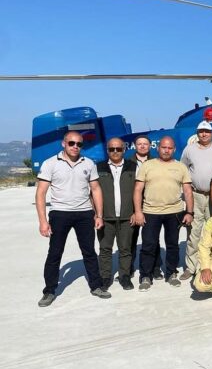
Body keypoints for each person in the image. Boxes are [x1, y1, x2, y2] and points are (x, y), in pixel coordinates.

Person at [36, 131, 110, 307]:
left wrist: (99, 215)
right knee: (55, 253)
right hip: (60, 214)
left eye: (79, 144)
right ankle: (49, 291)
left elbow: (96, 189)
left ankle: (96, 286)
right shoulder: (50, 163)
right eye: (71, 143)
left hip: (84, 213)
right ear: (64, 143)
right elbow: (40, 193)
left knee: (89, 252)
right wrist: (43, 221)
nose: (75, 147)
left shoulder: (88, 163)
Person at [133, 136, 194, 292]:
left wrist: (189, 212)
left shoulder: (181, 167)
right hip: (150, 212)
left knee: (172, 245)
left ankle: (171, 273)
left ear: (174, 149)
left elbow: (188, 191)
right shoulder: (147, 165)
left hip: (174, 212)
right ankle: (145, 276)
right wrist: (138, 212)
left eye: (170, 148)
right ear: (158, 148)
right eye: (164, 147)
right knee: (148, 245)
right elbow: (138, 190)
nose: (166, 150)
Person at [179, 121, 212, 281]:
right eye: (201, 131)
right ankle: (191, 267)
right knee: (194, 232)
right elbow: (183, 169)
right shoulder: (189, 149)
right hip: (196, 195)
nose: (204, 134)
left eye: (207, 131)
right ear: (197, 133)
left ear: (211, 133)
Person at [95, 138, 137, 291]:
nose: (115, 152)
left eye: (118, 149)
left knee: (125, 248)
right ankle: (105, 277)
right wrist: (96, 214)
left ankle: (125, 276)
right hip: (106, 217)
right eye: (111, 149)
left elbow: (139, 191)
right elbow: (92, 192)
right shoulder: (98, 167)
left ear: (124, 150)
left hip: (127, 216)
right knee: (105, 248)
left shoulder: (133, 166)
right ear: (107, 150)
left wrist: (136, 211)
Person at [128, 135, 163, 280]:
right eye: (139, 144)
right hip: (132, 205)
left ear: (150, 146)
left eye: (145, 144)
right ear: (135, 146)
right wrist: (133, 210)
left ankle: (155, 268)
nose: (142, 146)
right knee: (130, 239)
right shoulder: (128, 163)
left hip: (151, 204)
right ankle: (128, 268)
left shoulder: (157, 162)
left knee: (153, 239)